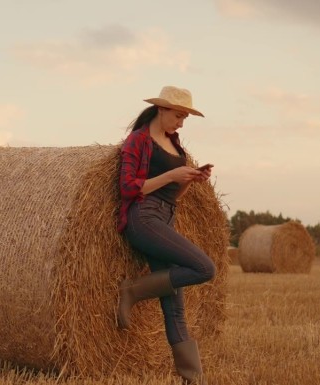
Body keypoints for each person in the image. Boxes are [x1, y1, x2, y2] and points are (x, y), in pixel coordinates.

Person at [117, 85, 215, 384]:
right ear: (161, 109)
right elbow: (128, 188)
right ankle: (132, 290)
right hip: (143, 218)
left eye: (185, 117)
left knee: (174, 305)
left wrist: (191, 179)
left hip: (166, 217)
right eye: (179, 115)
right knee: (204, 268)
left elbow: (173, 197)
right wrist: (172, 174)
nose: (181, 122)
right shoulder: (138, 141)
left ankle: (192, 377)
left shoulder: (175, 143)